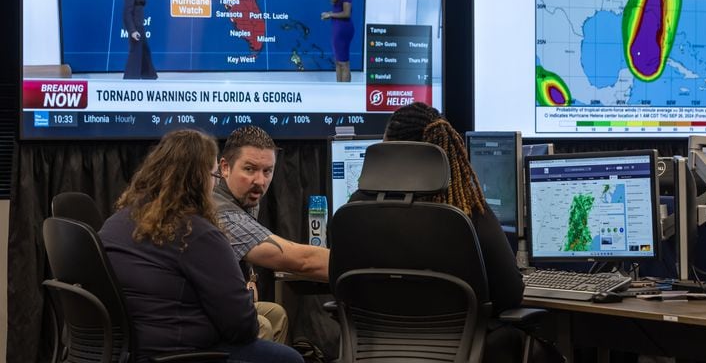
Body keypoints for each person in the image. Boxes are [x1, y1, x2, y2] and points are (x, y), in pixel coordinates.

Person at [353, 102, 564, 363]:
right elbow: (510, 294)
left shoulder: (355, 210)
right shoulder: (466, 210)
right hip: (460, 353)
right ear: (440, 152)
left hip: (373, 352)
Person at [99, 129, 302, 363]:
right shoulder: (196, 234)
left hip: (132, 346)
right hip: (178, 351)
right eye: (215, 176)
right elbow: (241, 327)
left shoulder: (116, 221)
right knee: (289, 358)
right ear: (199, 180)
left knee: (271, 316)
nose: (215, 185)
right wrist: (243, 296)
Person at [213, 126, 331, 340]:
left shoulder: (245, 198)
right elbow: (303, 261)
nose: (260, 181)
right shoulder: (223, 213)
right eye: (249, 169)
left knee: (275, 315)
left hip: (223, 303)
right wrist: (362, 264)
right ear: (225, 167)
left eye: (267, 171)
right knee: (264, 326)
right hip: (195, 317)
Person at [122, 0, 158, 80]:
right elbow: (127, 12)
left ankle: (149, 77)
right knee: (135, 54)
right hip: (136, 27)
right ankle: (130, 81)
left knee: (144, 52)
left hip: (139, 26)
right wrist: (132, 31)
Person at [321, 0, 354, 82]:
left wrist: (330, 15)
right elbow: (339, 10)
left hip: (343, 29)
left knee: (343, 63)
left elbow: (346, 13)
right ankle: (339, 89)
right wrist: (330, 13)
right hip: (338, 28)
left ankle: (346, 93)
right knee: (338, 62)